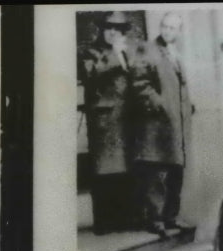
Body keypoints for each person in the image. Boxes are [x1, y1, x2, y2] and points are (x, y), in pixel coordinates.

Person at [130, 11, 196, 238]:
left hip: (177, 123)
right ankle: (155, 219)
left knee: (176, 171)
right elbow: (140, 84)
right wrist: (161, 105)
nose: (168, 31)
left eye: (173, 28)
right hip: (157, 126)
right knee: (156, 173)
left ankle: (171, 216)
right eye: (165, 26)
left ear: (179, 31)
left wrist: (188, 106)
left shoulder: (175, 51)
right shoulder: (147, 49)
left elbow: (179, 84)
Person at [80, 11, 135, 235]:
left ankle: (125, 219)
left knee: (125, 170)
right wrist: (113, 54)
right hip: (104, 123)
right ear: (102, 29)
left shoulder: (126, 52)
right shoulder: (90, 52)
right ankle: (104, 222)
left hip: (126, 119)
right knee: (103, 172)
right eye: (109, 28)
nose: (113, 32)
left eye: (118, 29)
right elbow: (90, 73)